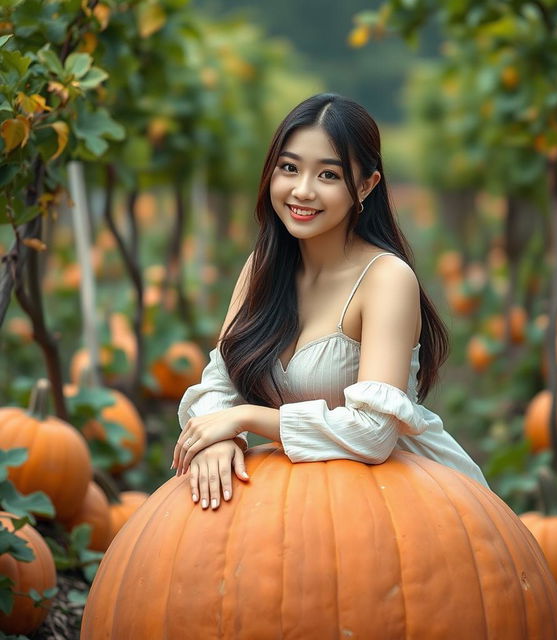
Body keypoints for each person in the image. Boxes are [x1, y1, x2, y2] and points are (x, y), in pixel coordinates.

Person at [172, 93, 489, 511]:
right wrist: (218, 437)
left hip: (402, 502)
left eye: (328, 175)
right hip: (296, 491)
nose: (302, 191)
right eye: (289, 168)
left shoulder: (386, 279)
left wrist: (246, 418)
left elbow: (373, 434)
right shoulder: (261, 269)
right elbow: (219, 384)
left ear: (365, 185)